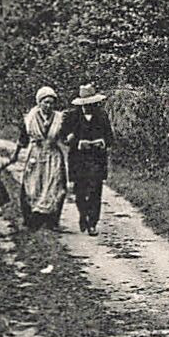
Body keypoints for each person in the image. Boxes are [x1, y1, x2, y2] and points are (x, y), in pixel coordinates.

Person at [58, 82, 114, 234]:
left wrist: (102, 142)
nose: (90, 106)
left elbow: (110, 138)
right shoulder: (71, 116)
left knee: (96, 190)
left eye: (93, 103)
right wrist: (75, 141)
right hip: (78, 159)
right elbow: (63, 136)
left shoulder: (102, 116)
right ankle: (83, 215)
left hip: (97, 159)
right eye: (87, 104)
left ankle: (92, 222)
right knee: (80, 191)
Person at [15, 85, 68, 231]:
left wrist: (69, 139)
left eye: (51, 102)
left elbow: (64, 138)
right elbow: (23, 139)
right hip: (36, 154)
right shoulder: (30, 118)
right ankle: (31, 220)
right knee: (32, 185)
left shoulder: (59, 118)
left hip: (53, 154)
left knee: (56, 185)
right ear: (39, 103)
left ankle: (53, 220)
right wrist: (15, 155)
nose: (48, 105)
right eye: (45, 102)